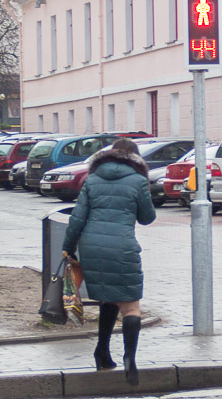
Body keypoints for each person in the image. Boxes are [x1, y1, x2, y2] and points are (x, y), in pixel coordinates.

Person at [61, 138, 156, 385]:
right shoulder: (137, 181)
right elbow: (147, 218)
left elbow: (77, 219)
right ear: (135, 159)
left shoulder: (91, 180)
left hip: (92, 247)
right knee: (131, 306)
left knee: (109, 297)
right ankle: (130, 358)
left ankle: (102, 351)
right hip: (122, 245)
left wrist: (68, 248)